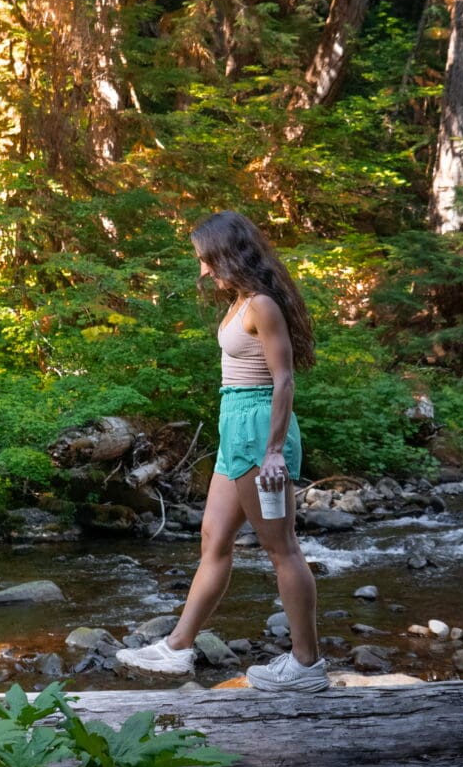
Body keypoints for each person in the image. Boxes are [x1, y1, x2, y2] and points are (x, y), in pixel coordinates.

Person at [116, 210, 328, 692]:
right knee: (213, 539)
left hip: (258, 430)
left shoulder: (262, 305)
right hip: (235, 427)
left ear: (227, 255)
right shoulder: (239, 300)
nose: (203, 271)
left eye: (206, 261)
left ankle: (306, 665)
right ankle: (176, 649)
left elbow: (284, 380)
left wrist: (274, 452)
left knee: (281, 547)